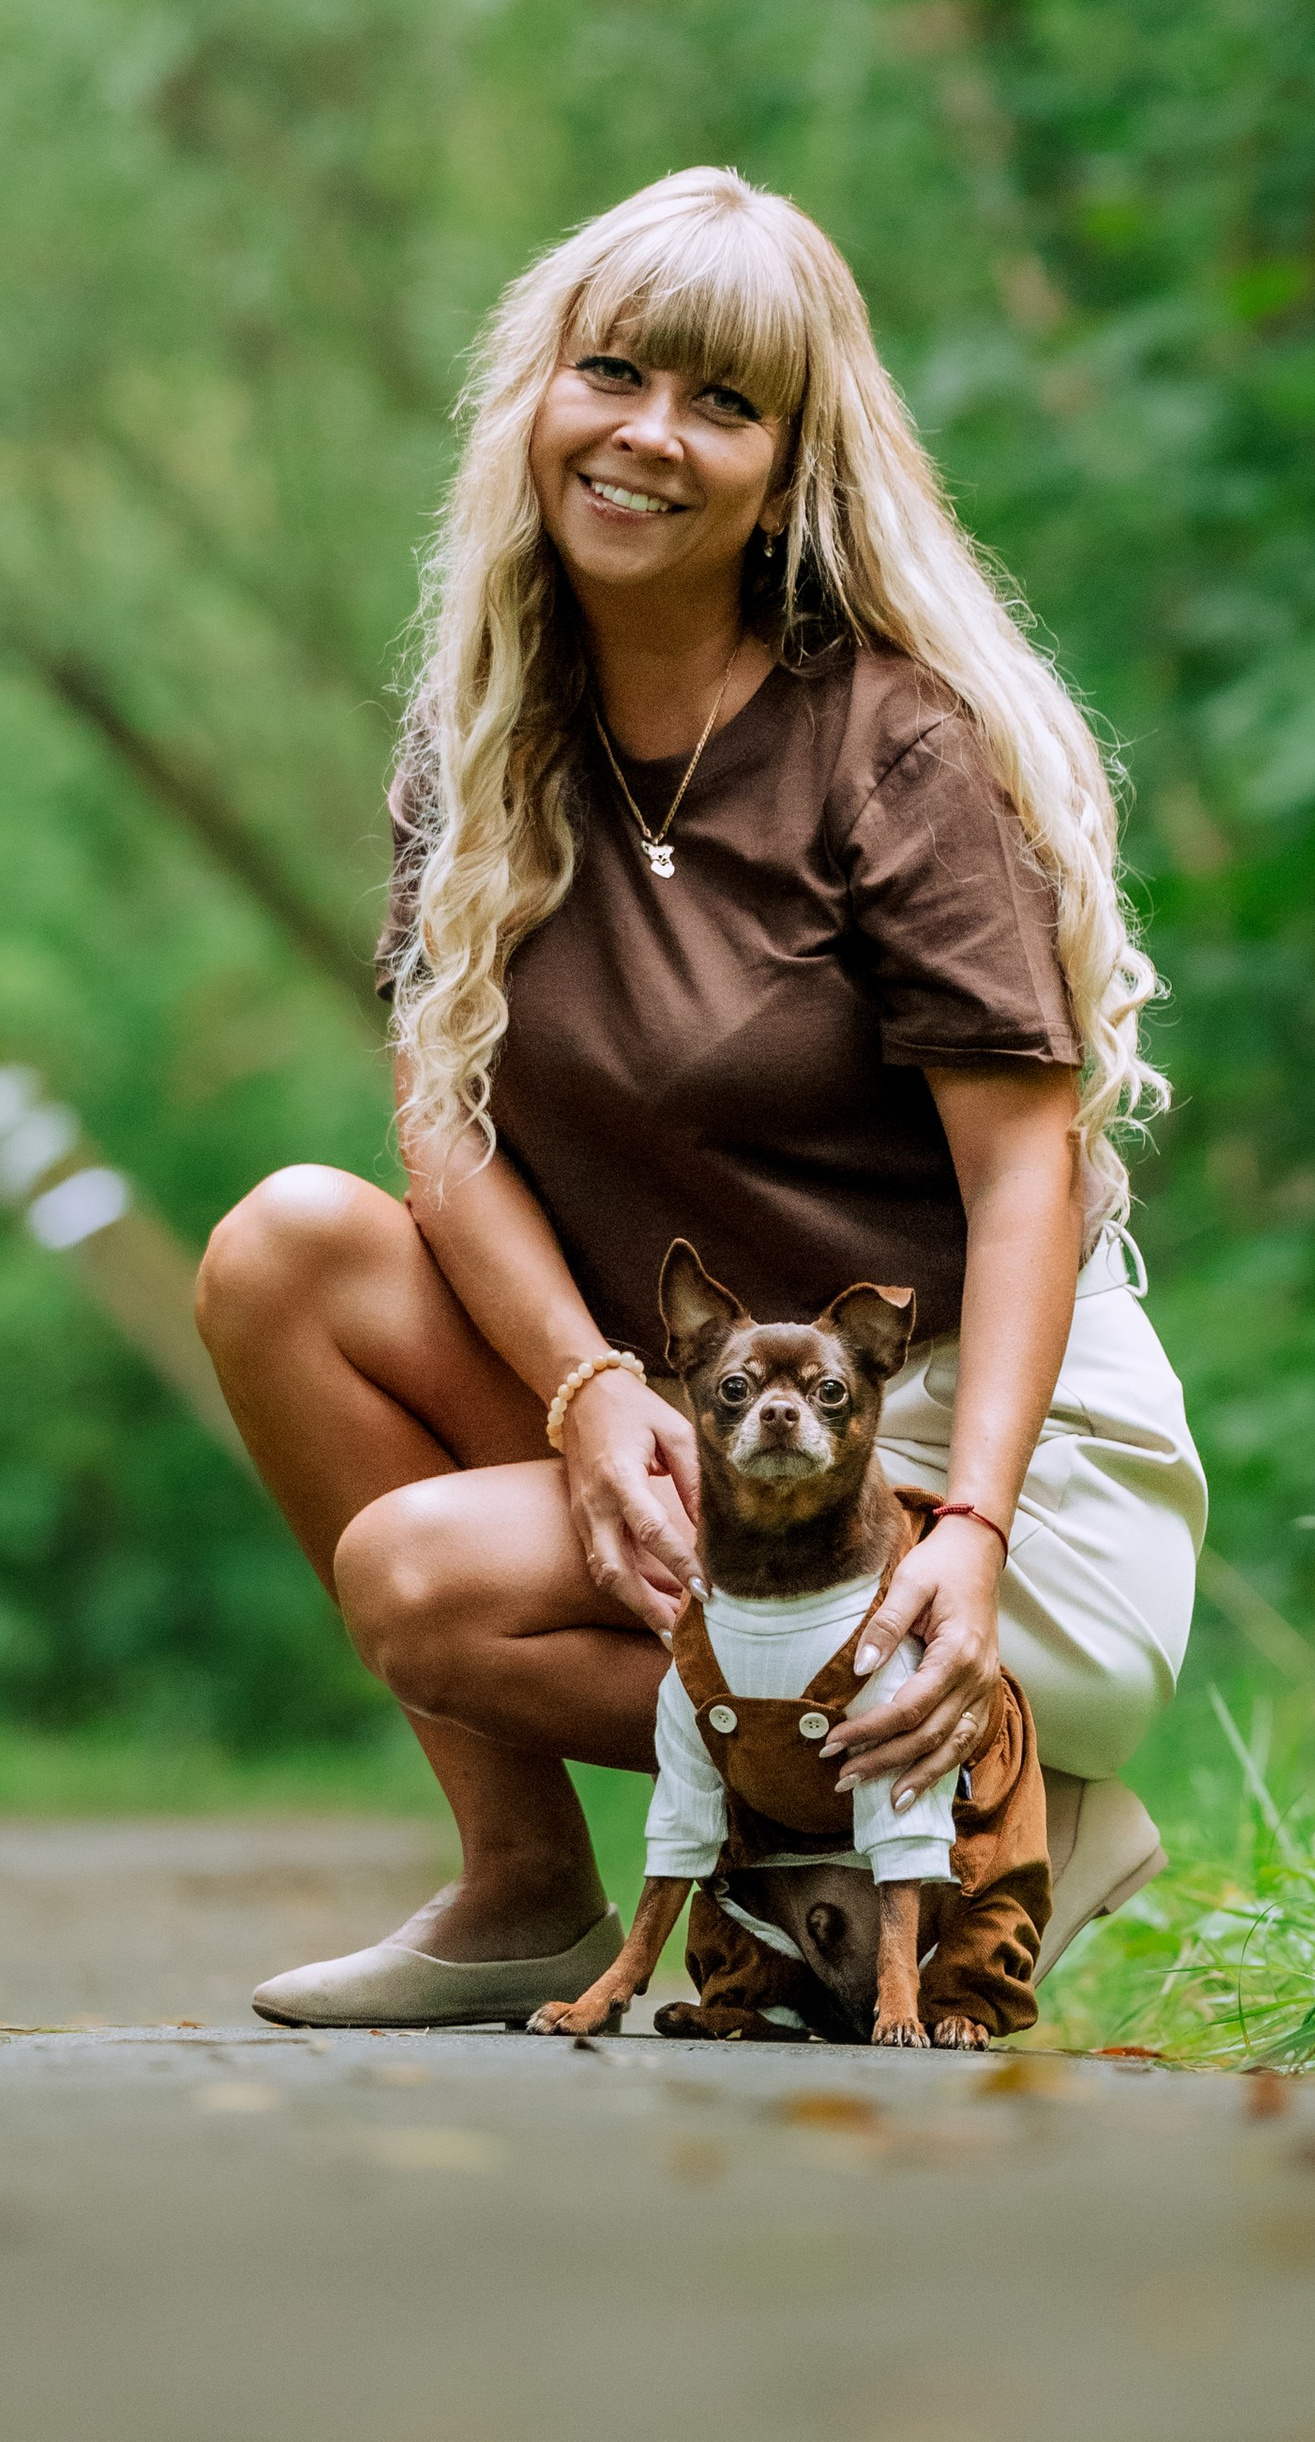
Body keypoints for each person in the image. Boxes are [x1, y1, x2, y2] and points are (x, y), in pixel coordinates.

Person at [196, 167, 1206, 2026]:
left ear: (790, 464)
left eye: (722, 401)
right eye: (614, 372)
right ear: (536, 396)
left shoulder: (893, 744)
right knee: (286, 1251)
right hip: (718, 1417)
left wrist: (972, 1538)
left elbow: (1028, 1182)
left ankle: (988, 1801)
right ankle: (527, 1889)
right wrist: (586, 1392)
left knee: (421, 1577)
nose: (650, 434)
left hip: (993, 1452)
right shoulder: (485, 732)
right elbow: (444, 1121)